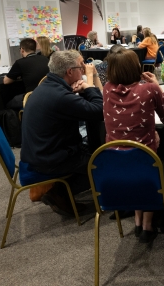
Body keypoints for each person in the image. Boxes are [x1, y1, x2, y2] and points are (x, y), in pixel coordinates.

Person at [103, 48, 164, 243]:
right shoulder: (149, 90)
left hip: (114, 169)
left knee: (134, 159)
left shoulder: (107, 89)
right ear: (136, 67)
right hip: (146, 169)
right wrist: (157, 86)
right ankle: (147, 225)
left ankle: (139, 221)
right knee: (153, 165)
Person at [20, 50, 103, 217]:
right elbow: (98, 111)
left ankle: (60, 191)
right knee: (103, 162)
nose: (83, 69)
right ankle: (58, 191)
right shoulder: (60, 96)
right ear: (69, 72)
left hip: (38, 152)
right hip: (50, 159)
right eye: (81, 66)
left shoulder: (47, 86)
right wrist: (88, 86)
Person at [4, 38, 50, 109]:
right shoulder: (45, 59)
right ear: (35, 49)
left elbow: (6, 81)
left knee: (8, 104)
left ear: (22, 50)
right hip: (48, 94)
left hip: (32, 97)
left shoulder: (20, 62)